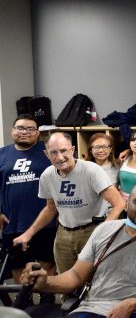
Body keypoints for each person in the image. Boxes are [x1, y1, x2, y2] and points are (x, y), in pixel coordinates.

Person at [20, 181, 136, 318]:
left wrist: (133, 303)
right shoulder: (104, 231)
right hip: (93, 309)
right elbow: (76, 276)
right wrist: (45, 283)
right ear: (126, 205)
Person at [13, 132, 125, 275]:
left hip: (92, 231)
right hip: (63, 234)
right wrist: (28, 234)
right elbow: (50, 208)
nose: (59, 157)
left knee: (95, 278)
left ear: (72, 150)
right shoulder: (47, 176)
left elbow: (119, 203)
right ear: (46, 154)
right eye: (53, 152)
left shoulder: (91, 170)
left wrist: (103, 231)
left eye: (63, 151)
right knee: (65, 280)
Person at [0, 115, 56, 303]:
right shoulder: (2, 154)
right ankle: (25, 305)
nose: (24, 132)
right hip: (13, 222)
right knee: (18, 270)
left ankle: (47, 305)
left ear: (38, 133)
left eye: (30, 129)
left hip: (45, 222)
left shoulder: (48, 152)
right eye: (20, 128)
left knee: (46, 268)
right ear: (13, 130)